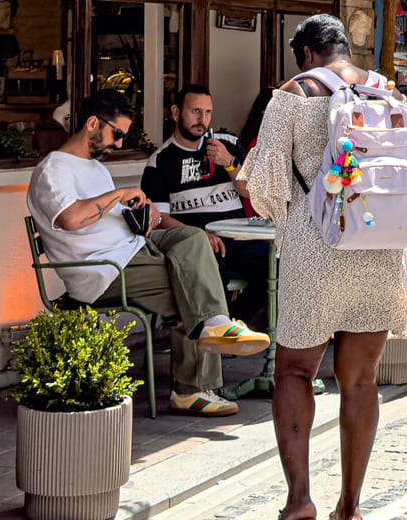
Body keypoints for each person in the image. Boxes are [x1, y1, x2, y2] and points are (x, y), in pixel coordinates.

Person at [237, 13, 407, 520]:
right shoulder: (385, 92)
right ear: (344, 48)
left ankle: (299, 500)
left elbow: (264, 189)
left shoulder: (292, 95)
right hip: (379, 251)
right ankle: (350, 510)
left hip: (316, 251)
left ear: (305, 53)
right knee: (361, 380)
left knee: (295, 373)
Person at [26, 91, 269, 418]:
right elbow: (69, 218)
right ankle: (193, 388)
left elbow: (110, 216)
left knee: (192, 238)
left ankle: (216, 324)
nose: (119, 144)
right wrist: (120, 194)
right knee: (190, 287)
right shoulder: (53, 170)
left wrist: (145, 214)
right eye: (118, 134)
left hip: (135, 249)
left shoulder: (93, 167)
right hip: (104, 269)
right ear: (93, 123)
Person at [140, 84, 267, 324]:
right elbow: (158, 218)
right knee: (207, 271)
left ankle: (231, 323)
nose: (203, 119)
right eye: (195, 111)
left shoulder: (226, 144)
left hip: (240, 239)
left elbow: (252, 193)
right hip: (201, 244)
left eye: (208, 112)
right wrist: (197, 236)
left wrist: (229, 164)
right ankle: (219, 329)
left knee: (279, 266)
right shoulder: (160, 162)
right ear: (176, 113)